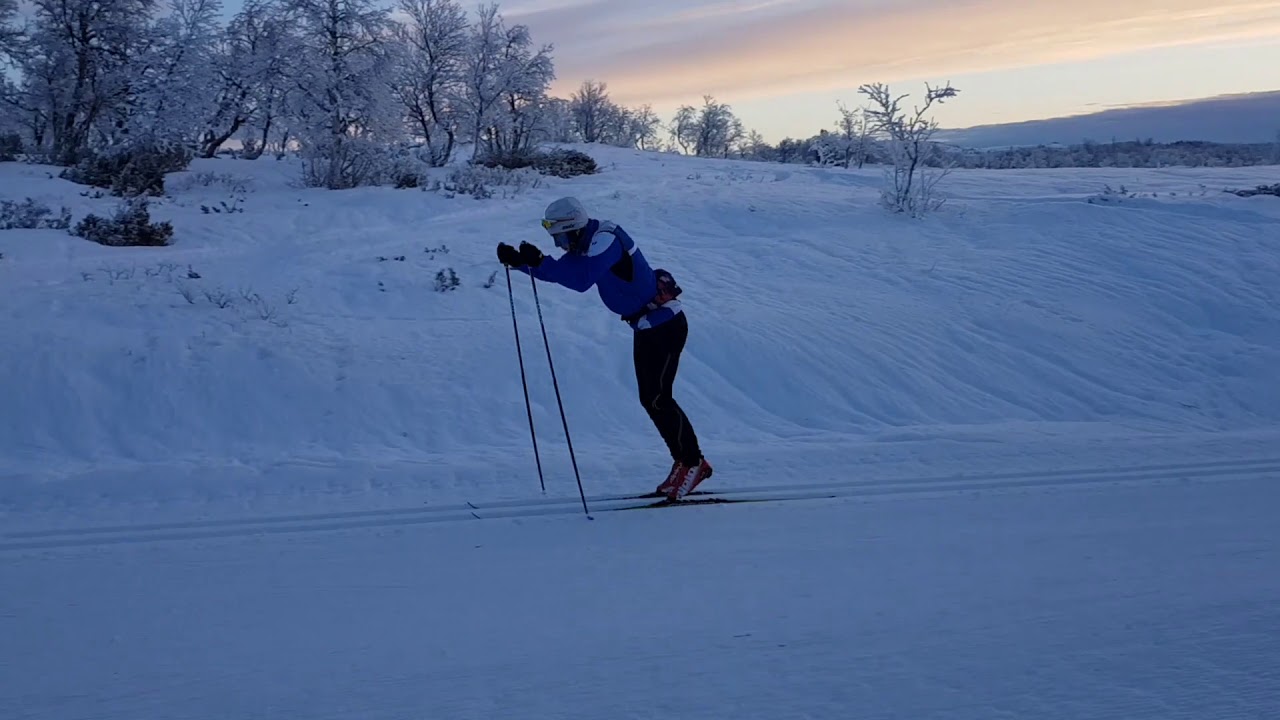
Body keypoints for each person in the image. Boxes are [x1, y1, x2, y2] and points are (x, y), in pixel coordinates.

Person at [497, 196, 713, 501]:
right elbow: (560, 273)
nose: (559, 245)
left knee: (658, 399)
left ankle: (693, 463)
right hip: (647, 327)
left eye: (560, 237)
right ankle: (685, 461)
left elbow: (581, 279)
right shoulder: (584, 244)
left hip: (665, 326)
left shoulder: (605, 240)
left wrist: (540, 261)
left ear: (574, 228)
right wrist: (522, 263)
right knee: (651, 400)